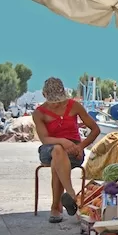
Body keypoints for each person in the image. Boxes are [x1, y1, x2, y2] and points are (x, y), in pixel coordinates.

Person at [33, 77, 101, 223]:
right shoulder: (39, 113)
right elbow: (45, 139)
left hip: (74, 150)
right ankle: (71, 194)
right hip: (49, 149)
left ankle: (55, 208)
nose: (57, 104)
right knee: (58, 150)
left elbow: (95, 129)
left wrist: (80, 146)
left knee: (57, 164)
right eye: (54, 102)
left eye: (60, 101)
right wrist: (63, 141)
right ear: (45, 96)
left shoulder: (74, 106)